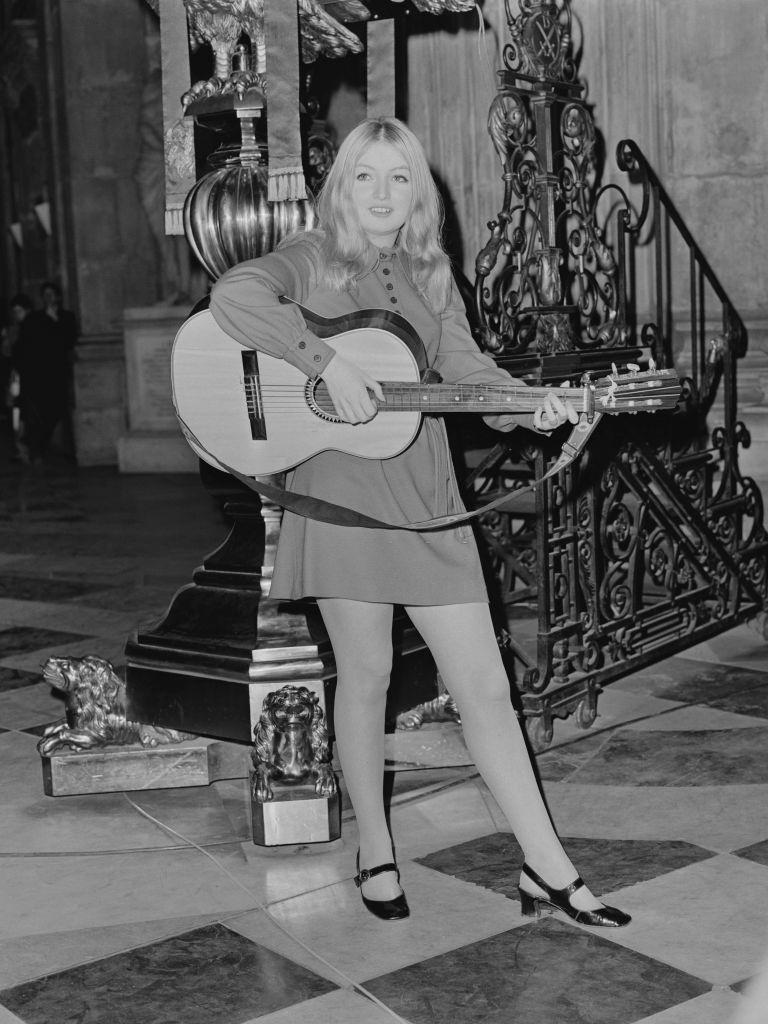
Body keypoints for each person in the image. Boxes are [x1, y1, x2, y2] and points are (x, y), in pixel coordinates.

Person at [210, 116, 630, 927]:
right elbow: (235, 296)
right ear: (342, 187)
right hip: (340, 495)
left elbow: (468, 371)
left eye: (398, 178)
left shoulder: (434, 275)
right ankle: (375, 846)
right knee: (364, 678)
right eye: (364, 176)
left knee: (486, 689)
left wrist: (534, 409)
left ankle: (548, 867)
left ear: (419, 195)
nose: (381, 194)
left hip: (428, 495)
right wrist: (323, 359)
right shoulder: (311, 257)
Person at [14, 282, 77, 463]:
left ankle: (40, 444)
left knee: (57, 409)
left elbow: (67, 341)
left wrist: (55, 321)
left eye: (51, 294)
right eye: (45, 295)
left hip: (58, 371)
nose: (48, 298)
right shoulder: (36, 318)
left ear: (58, 297)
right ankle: (36, 447)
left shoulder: (66, 317)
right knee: (41, 412)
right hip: (41, 373)